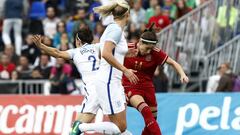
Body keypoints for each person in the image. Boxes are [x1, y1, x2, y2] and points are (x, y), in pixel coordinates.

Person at [71, 1, 138, 135]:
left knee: (119, 127)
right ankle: (81, 127)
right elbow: (106, 53)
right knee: (120, 127)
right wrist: (124, 70)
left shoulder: (113, 29)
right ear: (128, 14)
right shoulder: (115, 30)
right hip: (109, 82)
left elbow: (103, 53)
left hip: (112, 81)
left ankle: (81, 127)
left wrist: (125, 53)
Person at [32, 27, 102, 133]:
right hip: (105, 86)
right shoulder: (99, 47)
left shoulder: (76, 52)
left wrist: (41, 46)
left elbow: (57, 53)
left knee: (78, 127)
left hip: (93, 90)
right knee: (77, 123)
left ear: (78, 40)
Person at [122, 24, 189, 135]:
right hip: (131, 86)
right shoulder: (127, 48)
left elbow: (173, 63)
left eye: (151, 49)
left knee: (151, 122)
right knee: (146, 111)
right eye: (147, 48)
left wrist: (182, 74)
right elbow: (107, 55)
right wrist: (123, 70)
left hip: (148, 88)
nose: (149, 52)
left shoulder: (155, 53)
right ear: (140, 42)